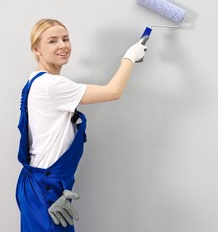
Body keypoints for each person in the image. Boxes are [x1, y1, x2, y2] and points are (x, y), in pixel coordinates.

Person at [16, 19, 147, 232]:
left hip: (39, 186)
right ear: (36, 49)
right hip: (45, 189)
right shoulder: (52, 85)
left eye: (65, 39)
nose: (62, 45)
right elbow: (113, 91)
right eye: (52, 41)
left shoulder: (35, 81)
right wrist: (130, 57)